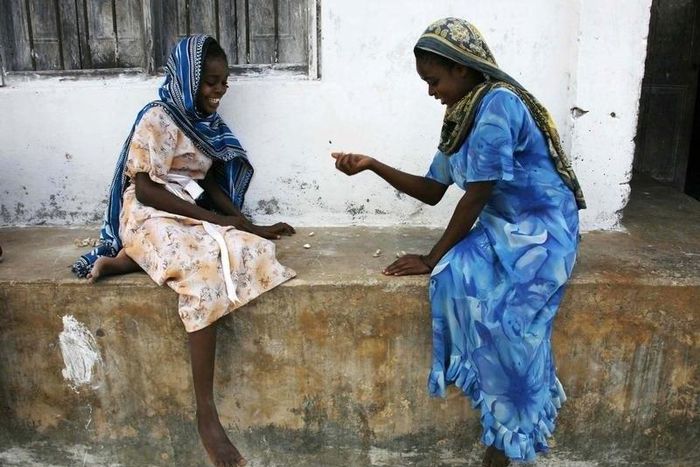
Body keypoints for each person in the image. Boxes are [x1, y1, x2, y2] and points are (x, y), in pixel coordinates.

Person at [332, 18, 585, 467]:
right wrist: (371, 164)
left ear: (463, 69)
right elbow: (433, 190)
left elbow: (477, 194)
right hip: (499, 228)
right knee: (451, 278)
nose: (431, 91)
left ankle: (510, 431)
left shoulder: (497, 106)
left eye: (434, 80)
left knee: (510, 320)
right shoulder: (462, 114)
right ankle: (489, 392)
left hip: (542, 232)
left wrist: (431, 255)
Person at [73, 35, 296, 466]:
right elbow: (145, 188)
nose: (218, 91)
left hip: (187, 210)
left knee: (252, 252)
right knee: (201, 274)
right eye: (210, 82)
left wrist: (248, 225)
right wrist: (213, 220)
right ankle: (206, 415)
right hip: (148, 211)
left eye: (224, 83)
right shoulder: (157, 119)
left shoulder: (202, 123)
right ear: (188, 79)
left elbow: (207, 182)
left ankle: (127, 262)